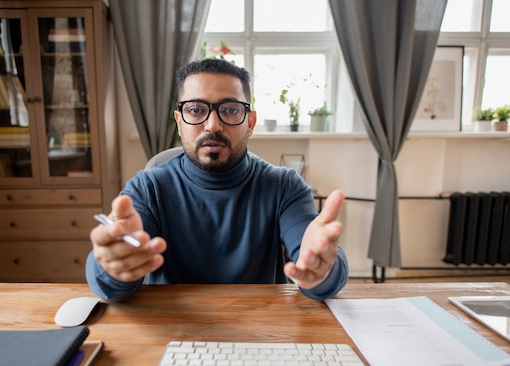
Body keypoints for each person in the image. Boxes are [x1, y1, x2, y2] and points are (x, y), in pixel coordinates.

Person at [86, 58, 348, 302]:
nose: (212, 125)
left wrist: (323, 270)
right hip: (171, 332)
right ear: (179, 122)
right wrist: (112, 266)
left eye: (231, 110)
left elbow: (316, 262)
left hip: (262, 332)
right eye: (196, 110)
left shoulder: (284, 187)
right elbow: (109, 283)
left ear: (250, 122)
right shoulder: (149, 188)